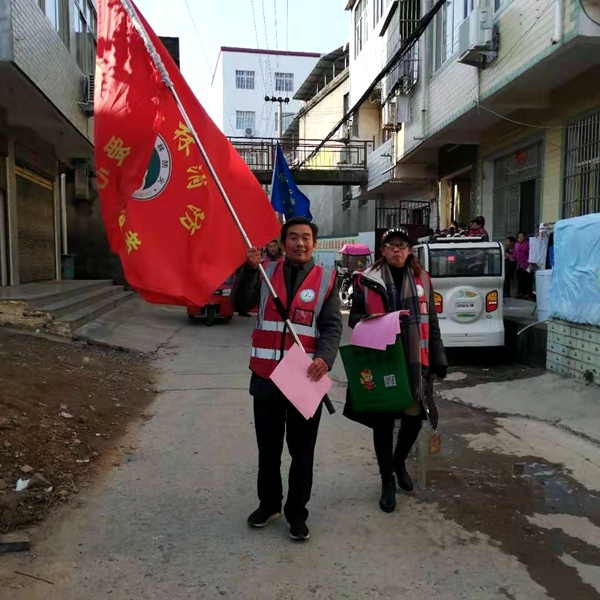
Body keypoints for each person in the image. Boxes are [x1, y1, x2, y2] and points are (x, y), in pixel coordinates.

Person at [232, 217, 343, 542]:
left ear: (314, 244)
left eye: (306, 238)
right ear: (282, 242)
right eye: (293, 237)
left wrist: (324, 357)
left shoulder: (326, 279)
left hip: (304, 378)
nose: (300, 243)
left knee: (302, 453)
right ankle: (269, 504)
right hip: (265, 376)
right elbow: (240, 304)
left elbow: (333, 325)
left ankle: (297, 513)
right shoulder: (265, 271)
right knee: (268, 451)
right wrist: (249, 270)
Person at [344, 228, 447, 513]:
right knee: (384, 422)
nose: (397, 250)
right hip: (383, 359)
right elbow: (354, 319)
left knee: (414, 418)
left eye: (402, 246)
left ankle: (399, 459)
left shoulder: (423, 279)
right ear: (383, 250)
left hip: (416, 359)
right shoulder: (367, 281)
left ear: (410, 250)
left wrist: (438, 358)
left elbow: (432, 322)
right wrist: (383, 321)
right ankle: (387, 479)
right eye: (392, 246)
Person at [515, 232, 533, 299]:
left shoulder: (527, 244)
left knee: (527, 280)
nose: (520, 238)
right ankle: (520, 293)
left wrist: (531, 263)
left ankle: (527, 294)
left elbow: (531, 254)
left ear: (524, 237)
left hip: (527, 264)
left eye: (522, 236)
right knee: (520, 280)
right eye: (519, 237)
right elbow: (515, 254)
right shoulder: (516, 245)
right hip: (519, 265)